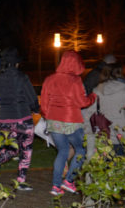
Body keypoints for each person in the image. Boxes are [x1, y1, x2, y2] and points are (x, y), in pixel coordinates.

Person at [40, 50, 96, 196]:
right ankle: (69, 180)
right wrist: (93, 97)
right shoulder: (75, 80)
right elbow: (82, 102)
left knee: (63, 152)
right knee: (81, 150)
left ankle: (56, 186)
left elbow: (44, 105)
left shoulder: (49, 79)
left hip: (54, 122)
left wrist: (49, 117)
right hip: (71, 121)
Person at [0, 48, 39, 191]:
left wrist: (1, 104)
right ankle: (20, 180)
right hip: (23, 118)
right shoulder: (22, 77)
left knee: (11, 148)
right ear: (16, 63)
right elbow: (32, 98)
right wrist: (36, 108)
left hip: (4, 120)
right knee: (25, 150)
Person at [83, 63, 125, 155]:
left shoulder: (97, 90)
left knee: (107, 164)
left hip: (104, 133)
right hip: (123, 133)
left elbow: (89, 113)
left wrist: (88, 133)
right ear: (120, 73)